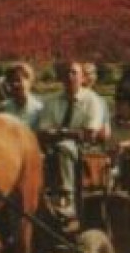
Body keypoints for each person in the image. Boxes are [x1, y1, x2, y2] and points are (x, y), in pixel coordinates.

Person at [35, 61, 109, 217]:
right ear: (61, 78)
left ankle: (67, 198)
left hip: (86, 149)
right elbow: (43, 132)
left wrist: (59, 133)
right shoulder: (51, 101)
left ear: (82, 78)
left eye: (74, 73)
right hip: (54, 146)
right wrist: (68, 133)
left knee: (64, 146)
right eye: (66, 73)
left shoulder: (92, 100)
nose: (69, 77)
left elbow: (89, 134)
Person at [0, 61, 44, 127]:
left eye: (18, 80)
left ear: (30, 81)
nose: (15, 84)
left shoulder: (40, 108)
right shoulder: (3, 109)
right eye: (11, 81)